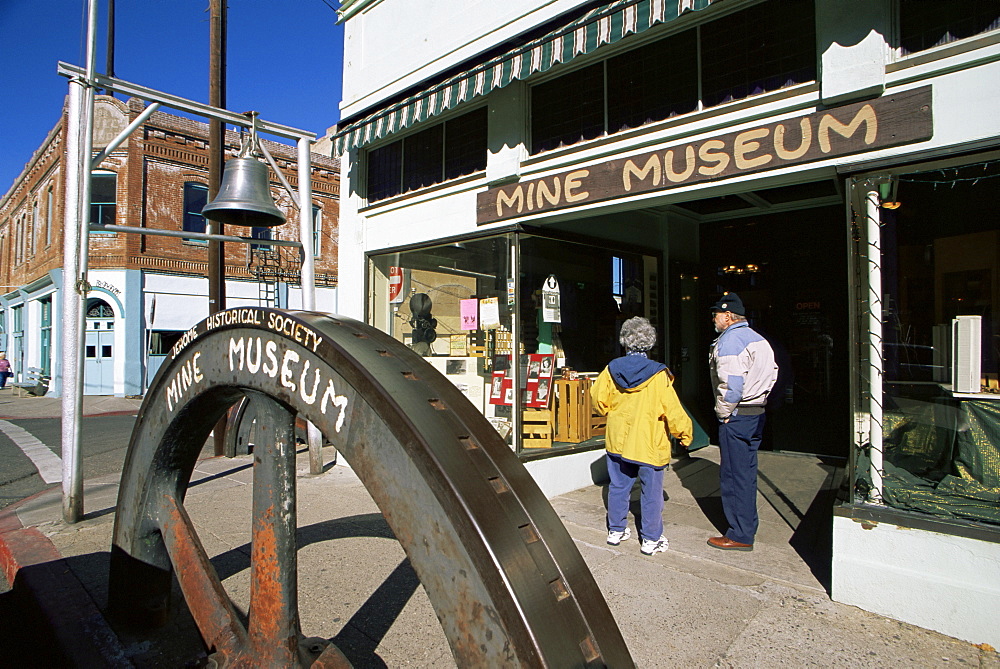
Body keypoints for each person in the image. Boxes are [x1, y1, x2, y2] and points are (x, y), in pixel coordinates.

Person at [592, 317, 693, 556]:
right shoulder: (658, 374)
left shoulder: (611, 369)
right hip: (648, 443)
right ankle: (650, 539)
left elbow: (598, 401)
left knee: (618, 486)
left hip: (618, 440)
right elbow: (673, 410)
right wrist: (685, 435)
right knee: (651, 492)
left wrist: (609, 410)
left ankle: (616, 531)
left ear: (625, 341)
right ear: (649, 343)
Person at [707, 292, 778, 551]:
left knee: (734, 476)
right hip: (757, 412)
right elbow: (773, 374)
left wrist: (723, 413)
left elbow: (732, 386)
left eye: (715, 314)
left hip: (737, 416)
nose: (713, 319)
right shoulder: (759, 339)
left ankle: (739, 534)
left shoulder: (730, 341)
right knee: (746, 474)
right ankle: (747, 526)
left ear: (727, 316)